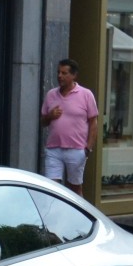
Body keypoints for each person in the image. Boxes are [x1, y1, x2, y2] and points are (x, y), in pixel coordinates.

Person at [40, 58, 99, 195]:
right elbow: (43, 122)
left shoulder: (86, 94)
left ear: (74, 75)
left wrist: (87, 149)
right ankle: (54, 215)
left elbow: (93, 123)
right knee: (52, 188)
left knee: (75, 188)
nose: (60, 76)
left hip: (77, 149)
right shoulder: (51, 95)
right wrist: (49, 116)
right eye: (58, 72)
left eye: (64, 73)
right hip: (54, 149)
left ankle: (78, 216)